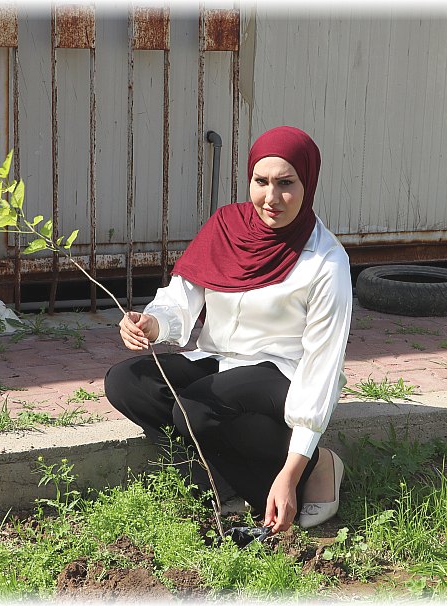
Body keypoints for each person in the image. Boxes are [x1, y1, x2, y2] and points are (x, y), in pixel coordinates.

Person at [104, 126, 352, 533]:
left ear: (308, 183)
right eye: (261, 181)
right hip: (218, 359)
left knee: (197, 407)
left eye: (286, 183)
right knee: (127, 382)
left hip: (283, 373)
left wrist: (294, 468)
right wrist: (153, 323)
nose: (271, 198)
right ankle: (216, 483)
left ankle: (317, 468)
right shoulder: (226, 226)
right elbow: (182, 297)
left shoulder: (326, 262)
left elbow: (322, 368)